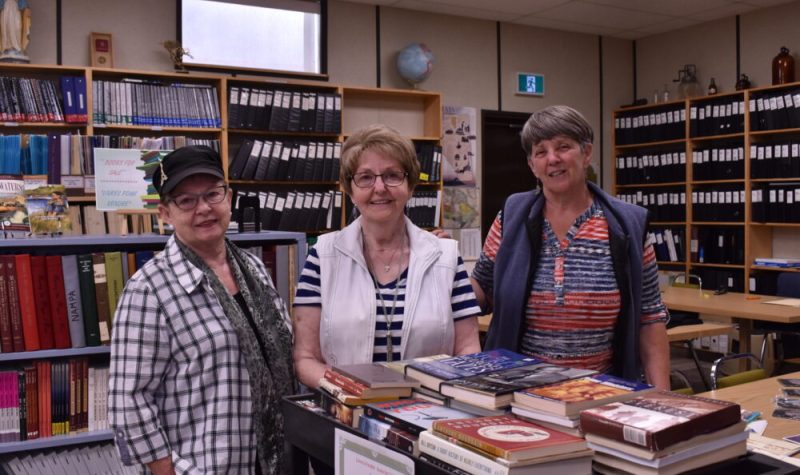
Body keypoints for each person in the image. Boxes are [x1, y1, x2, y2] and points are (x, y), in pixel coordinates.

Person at [108, 145, 296, 475]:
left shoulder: (253, 268)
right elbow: (128, 403)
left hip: (274, 462)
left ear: (230, 197)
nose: (204, 208)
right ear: (165, 213)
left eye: (212, 194)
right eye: (186, 200)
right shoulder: (148, 291)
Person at [471, 105, 670, 390]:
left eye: (563, 146)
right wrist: (441, 266)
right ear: (531, 164)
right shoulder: (511, 217)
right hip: (519, 394)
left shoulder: (628, 226)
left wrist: (662, 400)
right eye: (541, 152)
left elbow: (650, 319)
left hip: (602, 394)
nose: (553, 159)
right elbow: (481, 291)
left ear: (586, 153)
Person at [293, 124, 482, 390]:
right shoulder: (322, 257)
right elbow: (305, 357)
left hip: (427, 417)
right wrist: (349, 394)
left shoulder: (446, 258)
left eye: (392, 175)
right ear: (350, 189)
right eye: (366, 177)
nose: (380, 187)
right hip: (346, 414)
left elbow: (468, 349)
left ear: (410, 186)